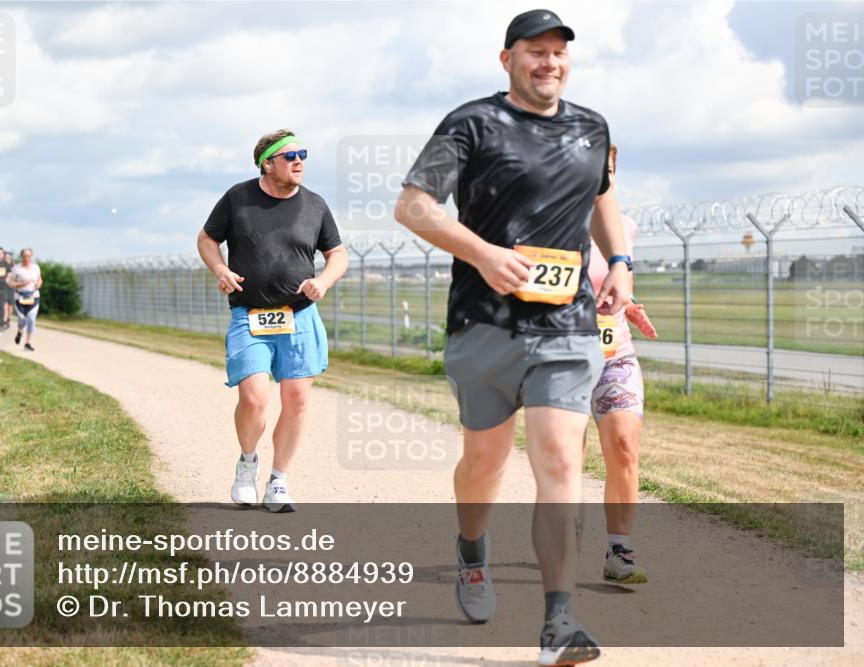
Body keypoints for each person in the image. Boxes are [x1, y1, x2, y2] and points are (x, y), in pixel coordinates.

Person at [395, 10, 631, 666]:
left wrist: (622, 266)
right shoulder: (469, 123)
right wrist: (483, 254)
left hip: (568, 327)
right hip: (485, 326)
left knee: (558, 460)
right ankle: (472, 550)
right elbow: (413, 204)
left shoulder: (593, 126)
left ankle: (559, 619)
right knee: (485, 467)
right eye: (535, 51)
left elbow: (604, 198)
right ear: (507, 60)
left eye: (559, 52)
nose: (549, 62)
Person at [197, 129, 348, 513]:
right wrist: (219, 269)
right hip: (250, 316)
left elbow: (338, 255)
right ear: (267, 163)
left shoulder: (315, 205)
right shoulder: (238, 198)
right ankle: (247, 464)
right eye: (290, 155)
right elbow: (206, 239)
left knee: (296, 401)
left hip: (299, 315)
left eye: (302, 154)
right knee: (254, 398)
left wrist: (323, 281)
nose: (299, 161)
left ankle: (279, 480)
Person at [586, 145, 659, 585]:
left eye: (609, 169)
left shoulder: (624, 227)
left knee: (625, 446)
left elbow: (619, 283)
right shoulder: (546, 223)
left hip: (615, 352)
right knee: (564, 456)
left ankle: (620, 550)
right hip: (561, 355)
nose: (603, 177)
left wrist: (629, 305)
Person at [6, 247, 43, 352]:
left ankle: (27, 343)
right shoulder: (16, 269)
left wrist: (39, 283)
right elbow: (10, 283)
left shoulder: (36, 267)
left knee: (31, 319)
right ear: (21, 257)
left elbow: (40, 279)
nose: (26, 258)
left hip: (34, 297)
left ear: (31, 256)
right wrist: (21, 284)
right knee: (22, 319)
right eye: (24, 256)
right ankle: (20, 331)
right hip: (20, 297)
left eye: (29, 256)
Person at [3, 250, 16, 329]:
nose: (7, 258)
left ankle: (8, 319)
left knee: (10, 305)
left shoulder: (14, 267)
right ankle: (4, 320)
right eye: (5, 257)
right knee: (5, 304)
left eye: (8, 257)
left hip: (11, 287)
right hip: (3, 287)